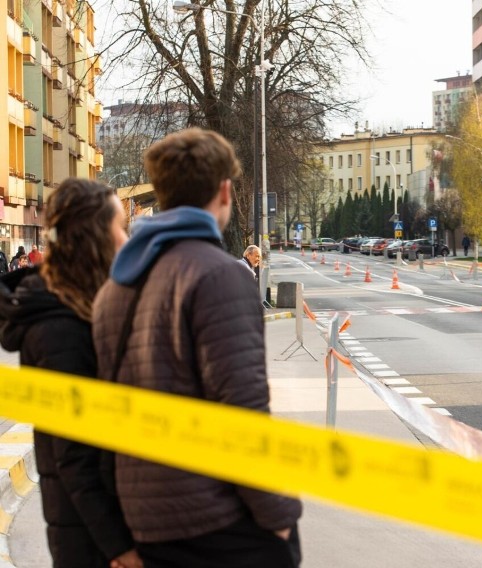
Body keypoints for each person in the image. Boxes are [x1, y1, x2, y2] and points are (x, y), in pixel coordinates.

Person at [92, 127, 302, 567]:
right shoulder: (220, 276)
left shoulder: (115, 287)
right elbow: (242, 410)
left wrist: (116, 536)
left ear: (162, 193)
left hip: (144, 518)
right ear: (224, 191)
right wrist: (279, 517)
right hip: (213, 517)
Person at [0, 178, 141, 568]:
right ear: (96, 238)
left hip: (92, 530)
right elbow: (75, 455)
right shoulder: (62, 327)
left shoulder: (81, 309)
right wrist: (120, 547)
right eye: (121, 229)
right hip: (93, 541)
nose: (127, 242)